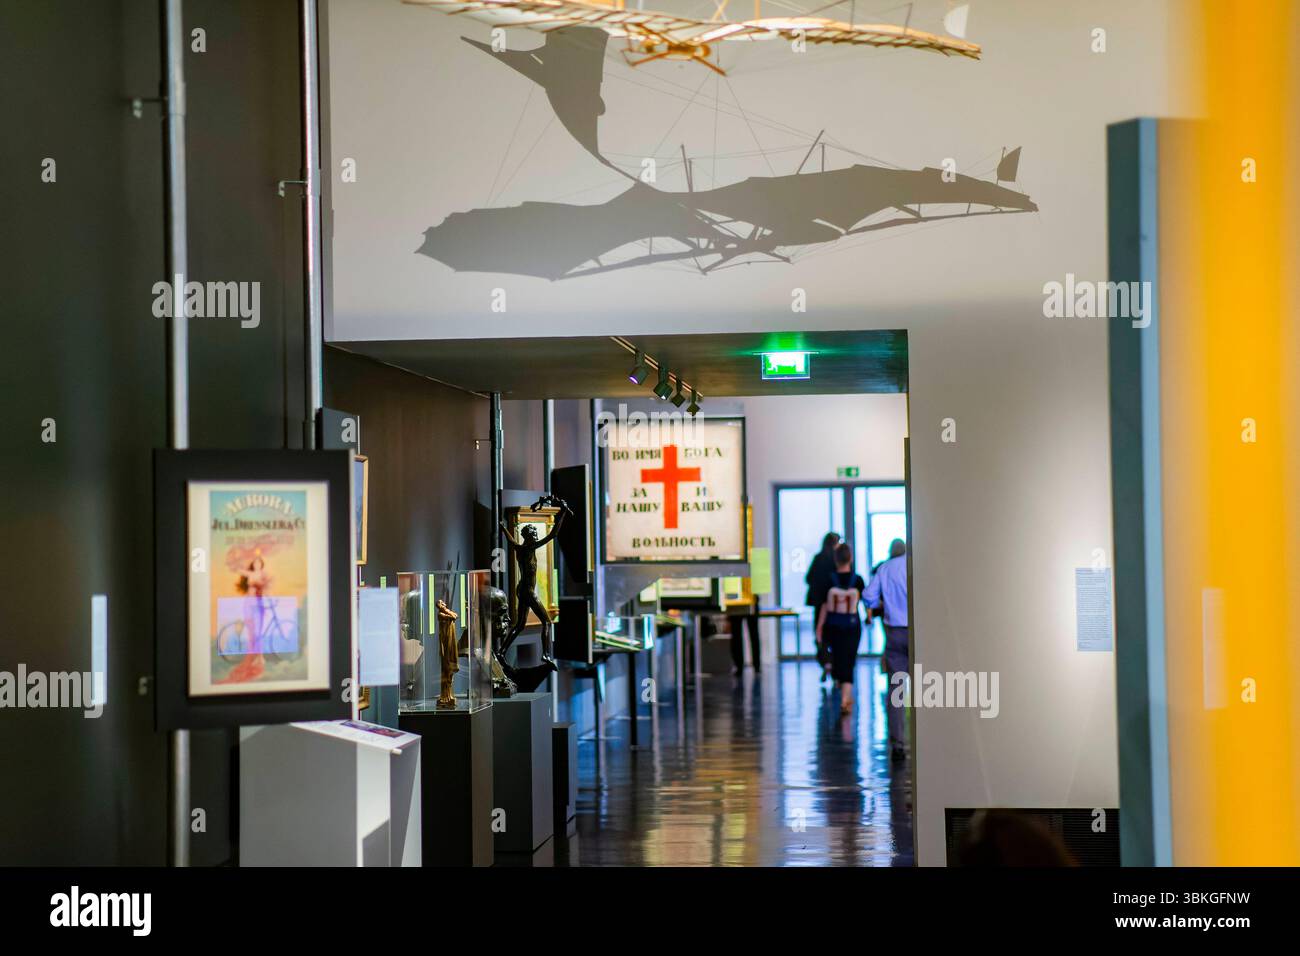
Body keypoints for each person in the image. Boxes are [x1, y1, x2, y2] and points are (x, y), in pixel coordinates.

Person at [864, 538, 909, 761]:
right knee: (930, 685)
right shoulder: (914, 564)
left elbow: (868, 595)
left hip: (894, 634)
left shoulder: (884, 568)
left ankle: (898, 743)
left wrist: (878, 607)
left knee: (896, 690)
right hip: (918, 632)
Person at [815, 542, 866, 715]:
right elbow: (865, 601)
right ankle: (846, 698)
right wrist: (869, 616)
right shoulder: (857, 580)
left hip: (833, 625)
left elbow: (823, 606)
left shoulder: (829, 580)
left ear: (836, 560)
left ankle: (831, 668)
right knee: (849, 660)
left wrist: (819, 627)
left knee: (837, 656)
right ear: (850, 559)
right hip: (852, 626)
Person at [804, 532, 840, 680]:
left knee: (820, 635)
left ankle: (826, 662)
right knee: (836, 636)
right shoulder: (837, 560)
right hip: (834, 606)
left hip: (819, 605)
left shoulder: (818, 558)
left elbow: (808, 578)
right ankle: (836, 666)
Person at [728, 598, 761, 675]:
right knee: (737, 636)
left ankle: (756, 666)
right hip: (736, 601)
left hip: (748, 601)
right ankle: (740, 666)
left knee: (753, 635)